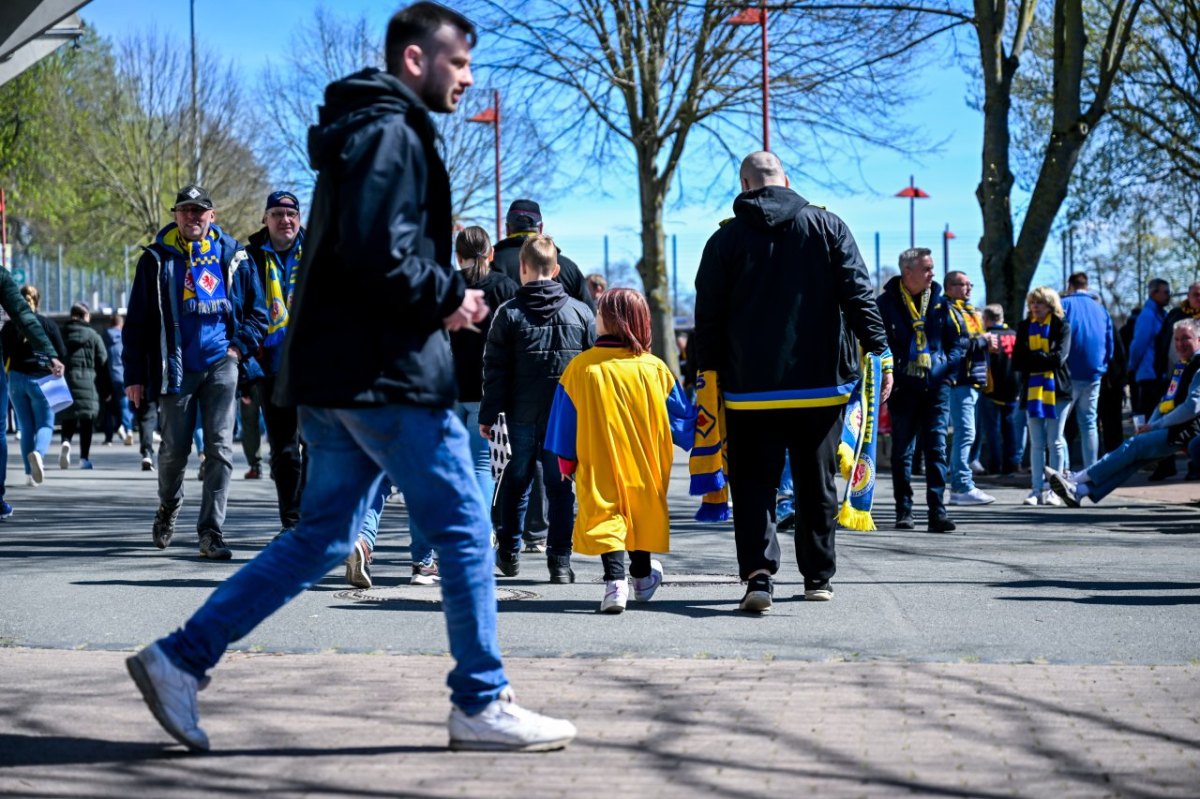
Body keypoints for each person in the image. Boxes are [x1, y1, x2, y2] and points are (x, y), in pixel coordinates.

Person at [125, 2, 575, 754]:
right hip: (384, 375)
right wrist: (449, 297)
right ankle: (481, 699)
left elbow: (362, 253)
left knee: (322, 537)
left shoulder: (359, 130)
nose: (467, 78)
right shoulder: (394, 133)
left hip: (335, 377)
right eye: (457, 62)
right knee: (465, 523)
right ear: (413, 60)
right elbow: (379, 252)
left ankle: (180, 657)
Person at [693, 151, 893, 612]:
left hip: (748, 389)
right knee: (815, 482)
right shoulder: (828, 226)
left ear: (745, 184)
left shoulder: (724, 241)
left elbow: (709, 317)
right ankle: (817, 577)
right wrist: (880, 351)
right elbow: (858, 292)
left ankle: (758, 576)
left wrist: (707, 374)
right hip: (819, 383)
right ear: (786, 179)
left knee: (753, 485)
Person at [122, 184, 268, 559]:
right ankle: (168, 506)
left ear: (212, 216)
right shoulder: (156, 260)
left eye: (199, 211)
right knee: (173, 452)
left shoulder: (234, 255)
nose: (192, 217)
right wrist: (134, 376)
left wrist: (237, 349)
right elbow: (136, 324)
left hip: (222, 363)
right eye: (185, 211)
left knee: (220, 448)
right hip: (176, 367)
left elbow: (258, 312)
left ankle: (211, 532)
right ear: (175, 216)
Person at [546, 288, 693, 612]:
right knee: (639, 517)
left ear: (612, 321)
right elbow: (682, 422)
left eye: (600, 313)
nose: (595, 318)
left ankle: (615, 583)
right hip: (645, 466)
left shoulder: (580, 369)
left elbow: (564, 425)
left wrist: (567, 464)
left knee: (607, 516)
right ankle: (640, 577)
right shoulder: (655, 370)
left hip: (597, 463)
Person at [480, 234, 595, 582]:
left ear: (522, 269)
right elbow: (593, 370)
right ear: (557, 270)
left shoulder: (509, 313)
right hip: (566, 418)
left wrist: (489, 415)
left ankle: (509, 551)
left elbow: (494, 369)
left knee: (517, 481)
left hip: (520, 412)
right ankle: (559, 561)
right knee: (561, 487)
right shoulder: (581, 313)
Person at [1049, 318, 1200, 506]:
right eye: (1176, 339)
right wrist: (1151, 425)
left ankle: (1075, 480)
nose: (1179, 344)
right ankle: (1080, 491)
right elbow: (1166, 401)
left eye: (1186, 338)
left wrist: (1155, 425)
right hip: (1178, 427)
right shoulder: (1184, 365)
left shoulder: (1198, 365)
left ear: (1199, 340)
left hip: (1189, 430)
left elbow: (1192, 407)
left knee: (1134, 446)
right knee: (1137, 457)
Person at [876, 248, 963, 533]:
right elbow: (879, 345)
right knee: (903, 451)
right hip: (904, 387)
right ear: (907, 271)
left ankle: (937, 511)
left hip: (936, 387)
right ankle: (905, 511)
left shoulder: (941, 303)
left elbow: (957, 345)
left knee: (936, 448)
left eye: (932, 268)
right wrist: (895, 373)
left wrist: (945, 372)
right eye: (926, 269)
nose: (932, 274)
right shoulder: (886, 303)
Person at [242, 190, 307, 536]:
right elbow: (240, 311)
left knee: (316, 447)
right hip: (272, 368)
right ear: (265, 219)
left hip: (314, 368)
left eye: (291, 214)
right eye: (278, 214)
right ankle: (292, 522)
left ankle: (310, 518)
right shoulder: (250, 257)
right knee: (284, 451)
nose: (286, 220)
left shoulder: (316, 253)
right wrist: (246, 372)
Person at [449, 225, 517, 513]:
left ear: (457, 256)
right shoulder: (505, 288)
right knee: (480, 465)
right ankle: (479, 529)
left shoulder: (446, 286)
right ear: (490, 254)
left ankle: (449, 535)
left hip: (448, 387)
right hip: (487, 389)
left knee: (449, 467)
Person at [0, 278, 64, 513]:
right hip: (43, 379)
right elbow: (61, 351)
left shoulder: (8, 327)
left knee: (25, 426)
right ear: (37, 300)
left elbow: (4, 352)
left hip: (16, 378)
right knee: (45, 423)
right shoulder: (46, 324)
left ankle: (29, 473)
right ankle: (38, 453)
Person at [1013, 286, 1072, 506]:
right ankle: (1036, 489)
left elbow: (1059, 359)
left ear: (1050, 304)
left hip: (1058, 389)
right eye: (1032, 303)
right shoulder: (1024, 326)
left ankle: (1055, 490)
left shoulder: (1062, 326)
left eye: (1039, 302)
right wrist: (1041, 357)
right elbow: (1018, 361)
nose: (1035, 307)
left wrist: (1035, 356)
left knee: (1055, 441)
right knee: (1036, 443)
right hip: (1032, 390)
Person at [944, 271, 995, 505]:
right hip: (960, 381)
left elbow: (971, 342)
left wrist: (986, 343)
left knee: (968, 434)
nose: (969, 289)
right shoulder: (947, 310)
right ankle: (961, 485)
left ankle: (962, 484)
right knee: (965, 434)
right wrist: (983, 341)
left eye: (970, 284)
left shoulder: (970, 311)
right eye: (963, 285)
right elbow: (956, 344)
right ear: (950, 287)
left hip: (973, 381)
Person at [491, 199, 594, 309]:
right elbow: (589, 315)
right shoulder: (569, 268)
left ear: (507, 229)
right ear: (540, 228)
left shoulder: (491, 264)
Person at [1060, 272, 1113, 471]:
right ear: (1087, 285)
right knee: (1089, 423)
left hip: (1069, 372)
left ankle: (1063, 468)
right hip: (1093, 372)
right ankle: (1091, 469)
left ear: (1070, 285)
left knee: (1059, 424)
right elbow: (1110, 343)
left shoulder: (1064, 305)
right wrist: (1102, 366)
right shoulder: (1100, 309)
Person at [58, 303, 110, 470]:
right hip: (89, 382)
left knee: (68, 416)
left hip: (66, 380)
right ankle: (83, 459)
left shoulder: (61, 333)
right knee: (86, 421)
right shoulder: (94, 336)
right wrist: (106, 389)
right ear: (83, 316)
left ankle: (66, 442)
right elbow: (103, 362)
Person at [1128, 278, 1171, 475]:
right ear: (1153, 293)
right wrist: (1132, 367)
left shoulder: (1159, 314)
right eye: (1164, 292)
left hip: (1155, 374)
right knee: (1149, 419)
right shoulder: (1148, 316)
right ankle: (1153, 461)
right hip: (1148, 375)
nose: (1168, 295)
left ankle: (1162, 463)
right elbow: (1138, 345)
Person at [979, 304, 1021, 476]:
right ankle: (1011, 464)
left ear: (987, 319)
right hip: (1014, 389)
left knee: (992, 431)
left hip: (992, 390)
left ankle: (994, 465)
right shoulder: (1015, 335)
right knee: (1010, 429)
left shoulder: (988, 338)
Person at [102, 314, 134, 446]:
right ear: (121, 324)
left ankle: (116, 430)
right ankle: (128, 429)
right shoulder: (126, 336)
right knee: (126, 404)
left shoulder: (105, 337)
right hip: (125, 374)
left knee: (111, 405)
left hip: (110, 376)